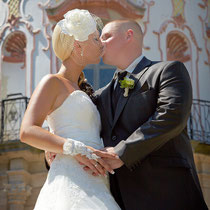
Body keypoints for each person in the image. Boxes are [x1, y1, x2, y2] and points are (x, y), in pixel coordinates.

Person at [90, 19, 208, 210]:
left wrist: (122, 152)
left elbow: (170, 116)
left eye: (106, 36)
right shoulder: (100, 95)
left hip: (168, 193)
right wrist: (54, 146)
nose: (100, 42)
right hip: (120, 199)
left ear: (129, 35)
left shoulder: (167, 71)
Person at [20, 9, 121, 210]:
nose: (101, 44)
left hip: (98, 183)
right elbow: (27, 131)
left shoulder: (84, 90)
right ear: (78, 46)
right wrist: (74, 149)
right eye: (94, 39)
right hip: (70, 180)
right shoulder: (52, 82)